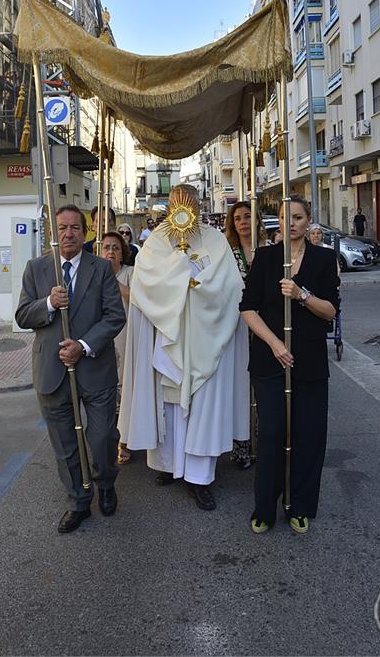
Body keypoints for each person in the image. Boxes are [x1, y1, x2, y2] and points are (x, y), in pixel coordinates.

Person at [118, 185, 249, 511]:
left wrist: (199, 285)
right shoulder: (155, 242)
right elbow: (143, 284)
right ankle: (167, 465)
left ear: (199, 205)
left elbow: (232, 284)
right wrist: (179, 275)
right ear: (169, 206)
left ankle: (199, 478)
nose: (184, 207)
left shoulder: (215, 239)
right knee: (168, 405)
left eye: (189, 202)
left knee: (202, 405)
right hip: (168, 338)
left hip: (206, 337)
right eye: (178, 202)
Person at [15, 205, 126, 534]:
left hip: (95, 367)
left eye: (75, 228)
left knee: (103, 436)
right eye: (62, 228)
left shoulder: (101, 268)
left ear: (85, 231)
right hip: (51, 369)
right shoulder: (36, 269)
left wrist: (83, 345)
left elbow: (114, 317)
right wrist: (48, 304)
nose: (68, 234)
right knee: (65, 444)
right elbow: (22, 315)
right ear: (53, 232)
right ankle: (78, 500)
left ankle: (105, 484)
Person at [240, 194, 340, 535]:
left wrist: (302, 295)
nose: (292, 223)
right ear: (279, 222)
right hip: (270, 359)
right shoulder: (265, 258)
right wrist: (274, 343)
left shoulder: (324, 260)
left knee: (308, 434)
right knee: (270, 433)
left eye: (298, 217)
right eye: (286, 217)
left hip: (309, 360)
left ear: (308, 219)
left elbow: (331, 310)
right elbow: (248, 309)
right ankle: (265, 506)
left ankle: (300, 505)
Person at [224, 201, 267, 470]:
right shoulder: (227, 253)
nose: (243, 222)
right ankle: (240, 446)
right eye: (238, 217)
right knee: (239, 385)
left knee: (262, 386)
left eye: (248, 216)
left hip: (264, 325)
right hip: (236, 325)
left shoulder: (269, 250)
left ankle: (264, 444)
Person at [101, 230, 134, 464]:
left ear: (122, 253)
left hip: (125, 336)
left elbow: (136, 298)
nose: (110, 252)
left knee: (124, 389)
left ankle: (124, 441)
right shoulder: (93, 275)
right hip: (102, 339)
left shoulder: (130, 274)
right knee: (105, 392)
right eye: (106, 247)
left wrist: (112, 279)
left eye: (115, 248)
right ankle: (106, 439)